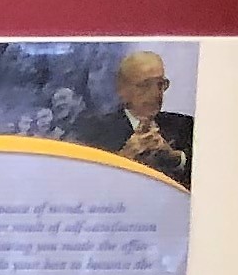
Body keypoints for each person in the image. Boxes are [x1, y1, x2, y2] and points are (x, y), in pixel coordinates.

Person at [83, 48, 195, 183]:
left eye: (160, 84)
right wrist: (124, 158)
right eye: (145, 85)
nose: (155, 93)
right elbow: (87, 184)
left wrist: (174, 158)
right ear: (122, 89)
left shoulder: (185, 126)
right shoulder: (93, 130)